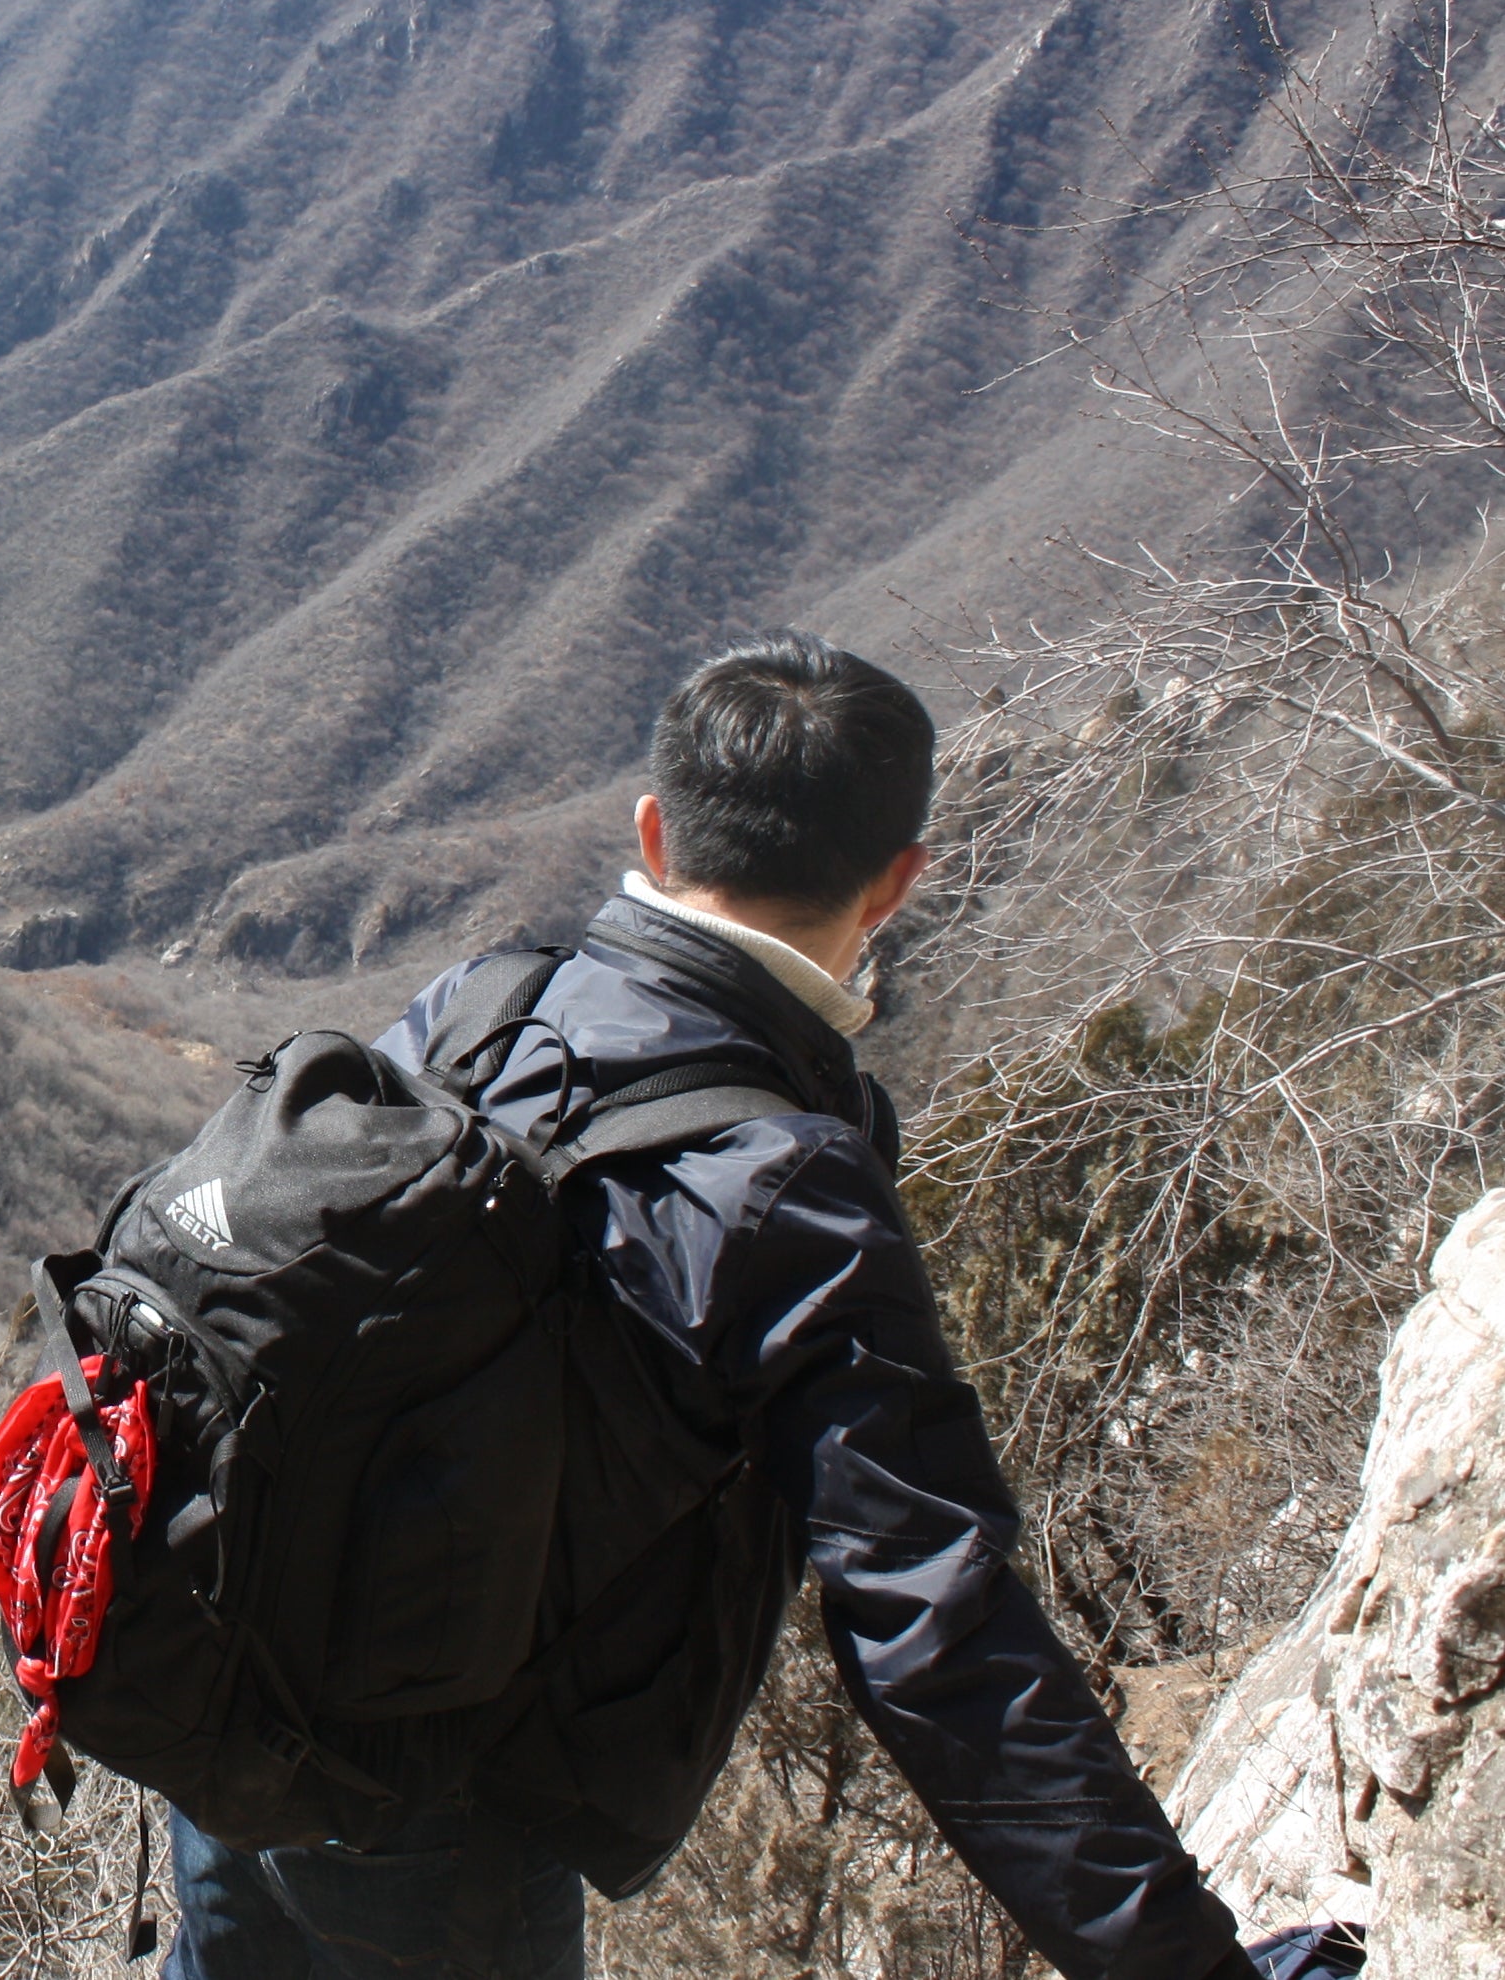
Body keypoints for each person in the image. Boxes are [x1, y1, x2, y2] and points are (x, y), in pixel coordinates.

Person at [160, 635, 1259, 1980]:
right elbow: (933, 1621)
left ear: (651, 827)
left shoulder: (482, 1005)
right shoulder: (791, 1185)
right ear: (897, 883)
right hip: (440, 1817)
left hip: (226, 1707)